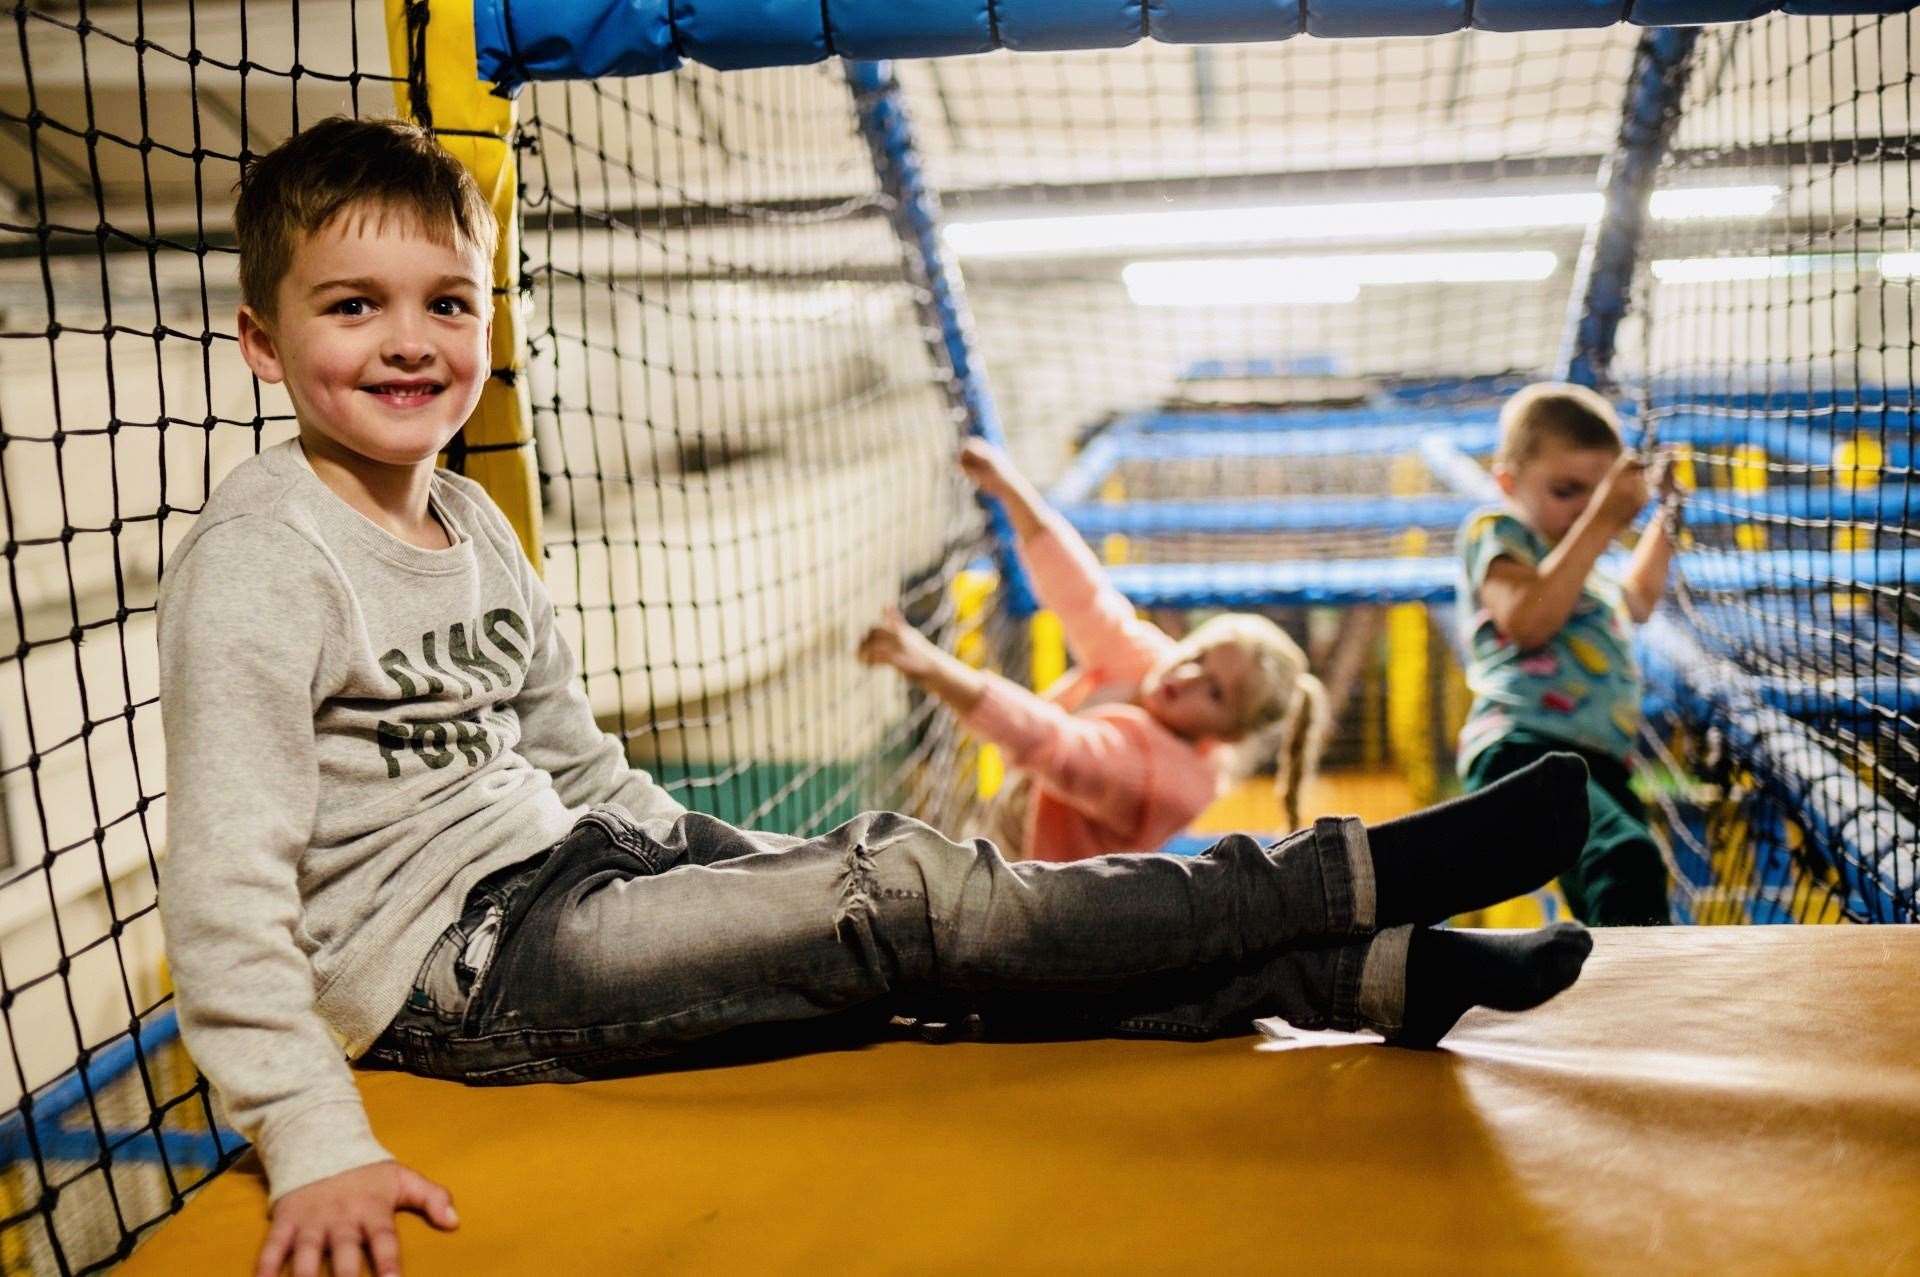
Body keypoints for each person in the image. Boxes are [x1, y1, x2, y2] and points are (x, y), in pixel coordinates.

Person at [158, 117, 1597, 1277]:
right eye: (356, 307)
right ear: (265, 345)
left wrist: (709, 855)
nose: (411, 341)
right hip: (455, 972)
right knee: (904, 899)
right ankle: (1354, 878)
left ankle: (1362, 979)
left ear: (484, 320)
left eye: (446, 303)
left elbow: (573, 758)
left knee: (894, 935)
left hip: (566, 869)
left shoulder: (471, 526)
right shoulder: (264, 564)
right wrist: (311, 1131)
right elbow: (224, 887)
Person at [860, 439, 1329, 861]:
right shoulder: (1150, 661)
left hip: (1042, 893)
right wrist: (1011, 488)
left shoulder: (1170, 783)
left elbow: (1057, 746)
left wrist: (928, 665)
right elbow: (1085, 598)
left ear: (1226, 736)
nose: (1184, 676)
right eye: (1199, 655)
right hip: (1012, 823)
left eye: (1214, 693)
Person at [1454, 382, 1684, 926]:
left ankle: (1612, 989)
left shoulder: (1584, 571)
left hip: (1598, 764)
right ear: (1508, 482)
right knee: (1626, 859)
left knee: (1632, 880)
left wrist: (1666, 514)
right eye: (1567, 491)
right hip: (1522, 752)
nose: (1585, 509)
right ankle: (1635, 1005)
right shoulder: (1499, 532)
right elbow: (1528, 622)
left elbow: (1639, 599)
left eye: (1598, 494)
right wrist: (1602, 521)